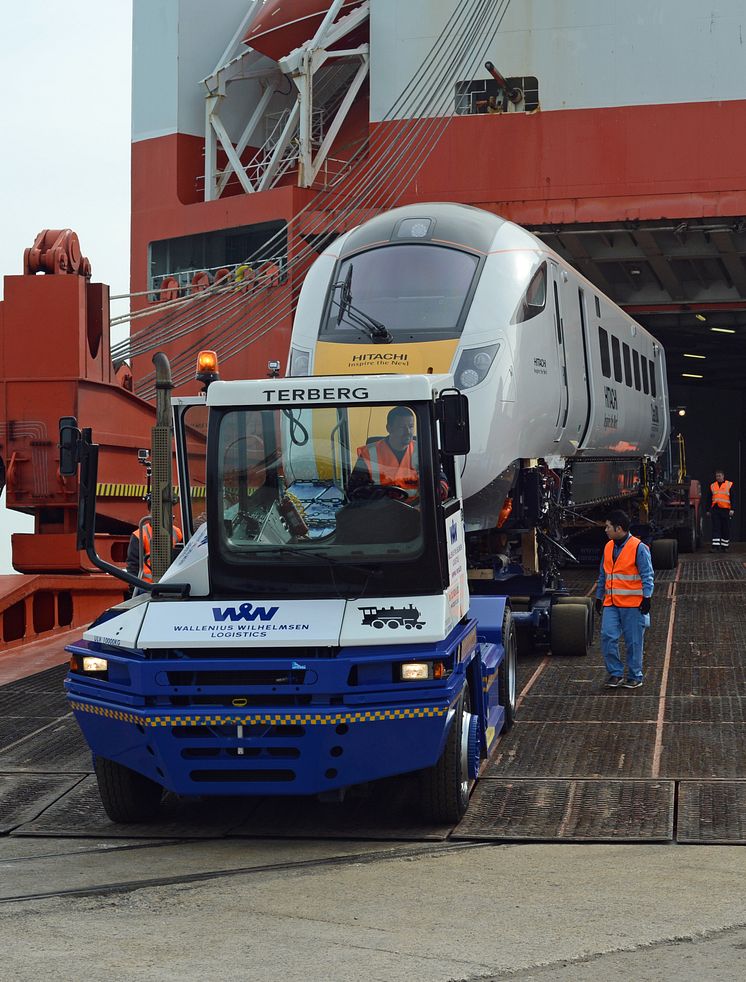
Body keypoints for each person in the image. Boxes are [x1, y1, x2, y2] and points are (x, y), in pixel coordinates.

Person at [594, 510, 654, 689]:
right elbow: (603, 574)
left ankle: (635, 675)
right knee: (607, 636)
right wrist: (599, 597)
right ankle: (615, 673)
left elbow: (647, 574)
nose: (605, 530)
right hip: (611, 603)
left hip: (632, 604)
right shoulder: (608, 547)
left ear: (618, 528)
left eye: (608, 527)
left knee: (634, 641)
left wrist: (647, 597)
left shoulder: (638, 548)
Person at [347, 406, 449, 502]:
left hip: (418, 512)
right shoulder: (369, 453)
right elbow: (354, 491)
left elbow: (439, 476)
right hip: (381, 512)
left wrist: (440, 487)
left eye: (411, 426)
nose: (408, 432)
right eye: (402, 427)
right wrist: (380, 495)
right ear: (389, 428)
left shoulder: (423, 450)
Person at [126, 516, 183, 583]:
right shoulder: (139, 535)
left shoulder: (177, 532)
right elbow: (133, 565)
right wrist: (135, 585)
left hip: (172, 581)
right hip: (147, 585)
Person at [709, 468, 735, 552]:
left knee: (725, 528)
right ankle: (715, 547)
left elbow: (733, 498)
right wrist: (708, 509)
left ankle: (725, 547)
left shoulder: (729, 484)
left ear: (723, 476)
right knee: (716, 528)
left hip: (725, 510)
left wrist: (733, 509)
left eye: (719, 476)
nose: (718, 477)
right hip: (716, 509)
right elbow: (709, 498)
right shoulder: (713, 485)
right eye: (717, 476)